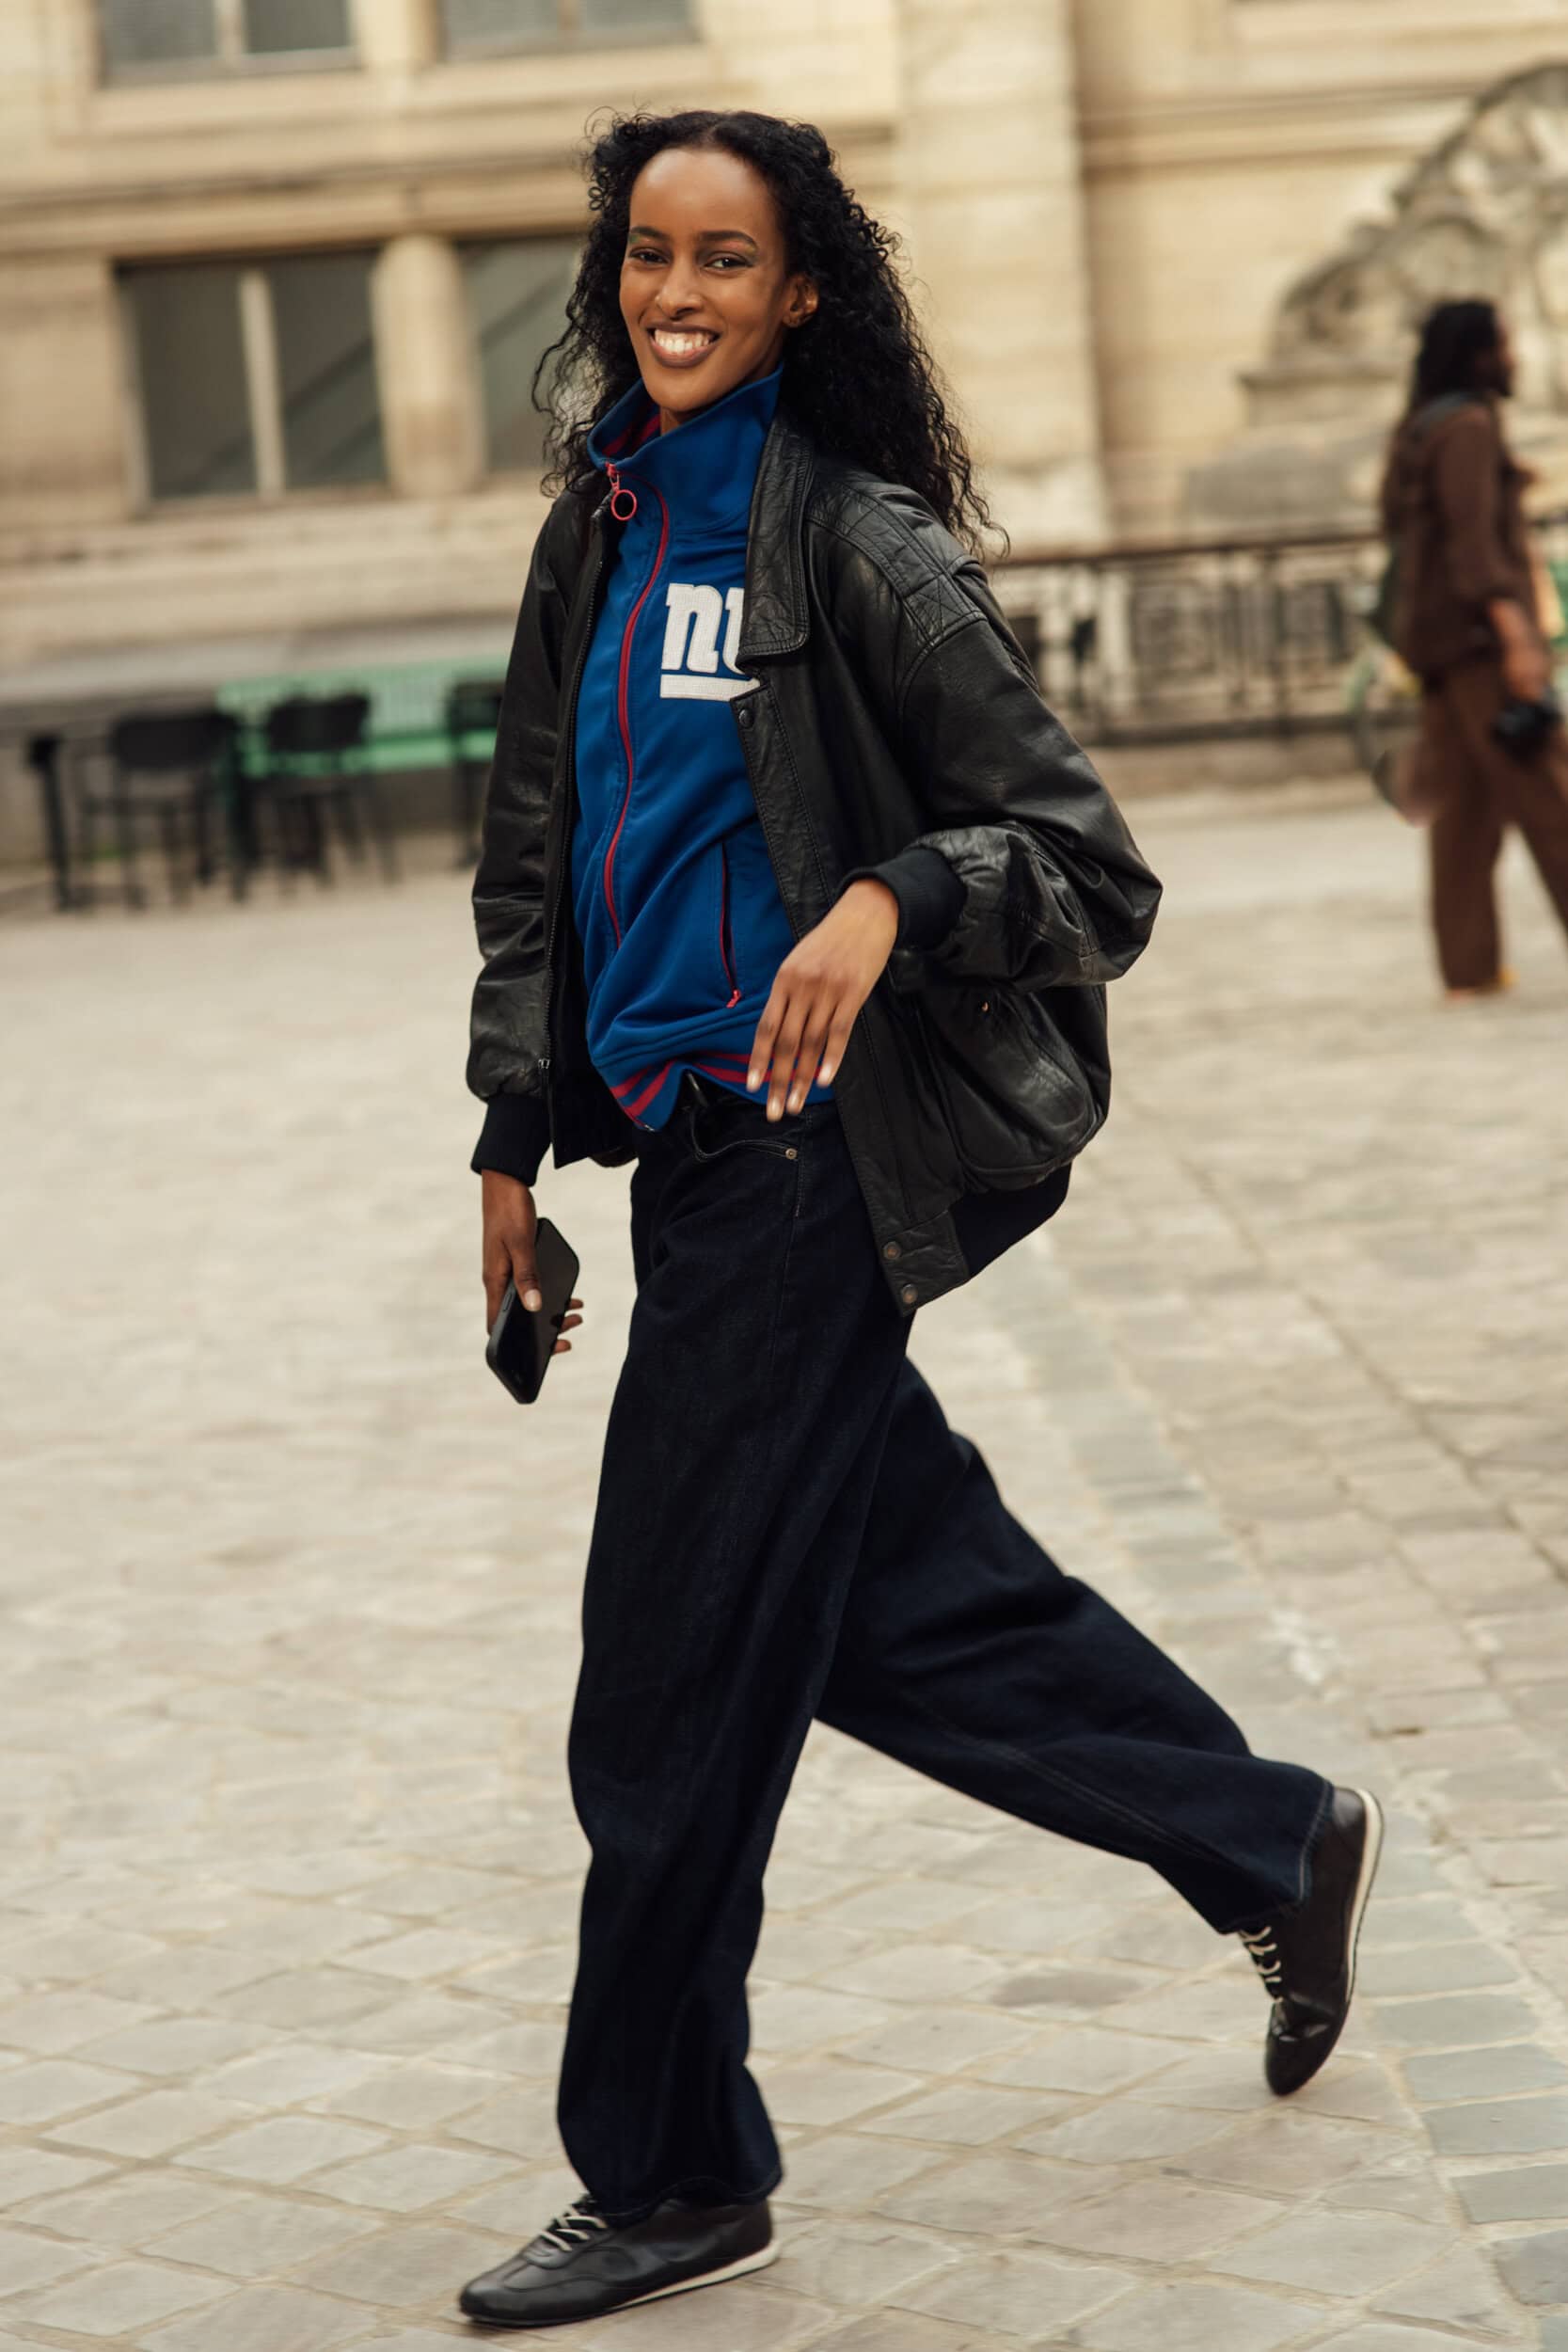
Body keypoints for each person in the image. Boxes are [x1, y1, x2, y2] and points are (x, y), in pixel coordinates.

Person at [460, 108, 1382, 2333]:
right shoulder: (596, 528)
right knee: (887, 1600)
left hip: (802, 1164)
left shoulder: (856, 543)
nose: (677, 292)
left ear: (798, 292)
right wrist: (508, 1136)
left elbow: (1085, 866)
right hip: (679, 1162)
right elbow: (531, 849)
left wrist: (889, 896)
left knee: (667, 1684)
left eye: (724, 259)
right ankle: (1265, 1832)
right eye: (649, 253)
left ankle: (673, 2167)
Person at [1381, 297, 1568, 995]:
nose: (1513, 358)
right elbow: (1472, 549)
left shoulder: (1422, 426)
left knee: (1460, 813)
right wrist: (1519, 639)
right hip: (1481, 645)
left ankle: (1470, 967)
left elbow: (1411, 522)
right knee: (1551, 793)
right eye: (1504, 344)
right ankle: (1471, 966)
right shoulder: (1468, 428)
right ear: (1478, 354)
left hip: (1437, 645)